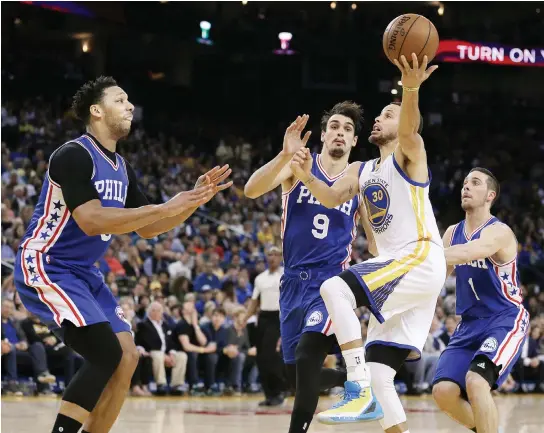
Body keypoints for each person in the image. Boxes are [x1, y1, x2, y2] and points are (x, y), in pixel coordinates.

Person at [13, 76, 232, 433]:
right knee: (105, 354)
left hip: (84, 271)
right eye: (121, 99)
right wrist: (165, 206)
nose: (130, 106)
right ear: (97, 111)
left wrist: (191, 202)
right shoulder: (73, 154)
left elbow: (146, 228)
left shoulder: (122, 168)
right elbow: (91, 219)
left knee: (127, 357)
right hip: (47, 263)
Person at [290, 54, 444, 431]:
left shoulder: (410, 155)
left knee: (334, 289)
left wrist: (410, 89)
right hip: (403, 274)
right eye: (379, 114)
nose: (379, 118)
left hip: (418, 256)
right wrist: (308, 176)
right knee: (380, 374)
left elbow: (409, 129)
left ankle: (355, 388)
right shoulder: (362, 170)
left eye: (388, 115)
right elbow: (328, 197)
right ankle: (367, 386)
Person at [245, 101, 363, 433]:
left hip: (331, 283)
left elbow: (375, 237)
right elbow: (251, 190)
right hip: (293, 281)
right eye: (335, 127)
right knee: (293, 374)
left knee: (310, 355)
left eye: (348, 129)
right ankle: (360, 380)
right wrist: (284, 156)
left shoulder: (358, 180)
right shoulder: (298, 166)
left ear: (354, 141)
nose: (341, 132)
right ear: (323, 135)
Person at [432, 168, 530, 433]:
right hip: (469, 324)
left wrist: (422, 255)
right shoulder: (452, 233)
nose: (466, 187)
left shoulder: (498, 232)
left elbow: (471, 251)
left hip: (504, 318)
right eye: (464, 182)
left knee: (476, 381)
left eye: (474, 183)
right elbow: (436, 276)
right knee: (443, 391)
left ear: (490, 195)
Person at [244, 245, 285, 406]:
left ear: (281, 257)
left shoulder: (285, 275)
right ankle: (269, 394)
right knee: (260, 357)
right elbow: (254, 301)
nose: (272, 257)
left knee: (270, 355)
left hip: (278, 317)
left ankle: (278, 391)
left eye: (275, 254)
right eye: (269, 254)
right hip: (263, 317)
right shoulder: (260, 278)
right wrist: (245, 318)